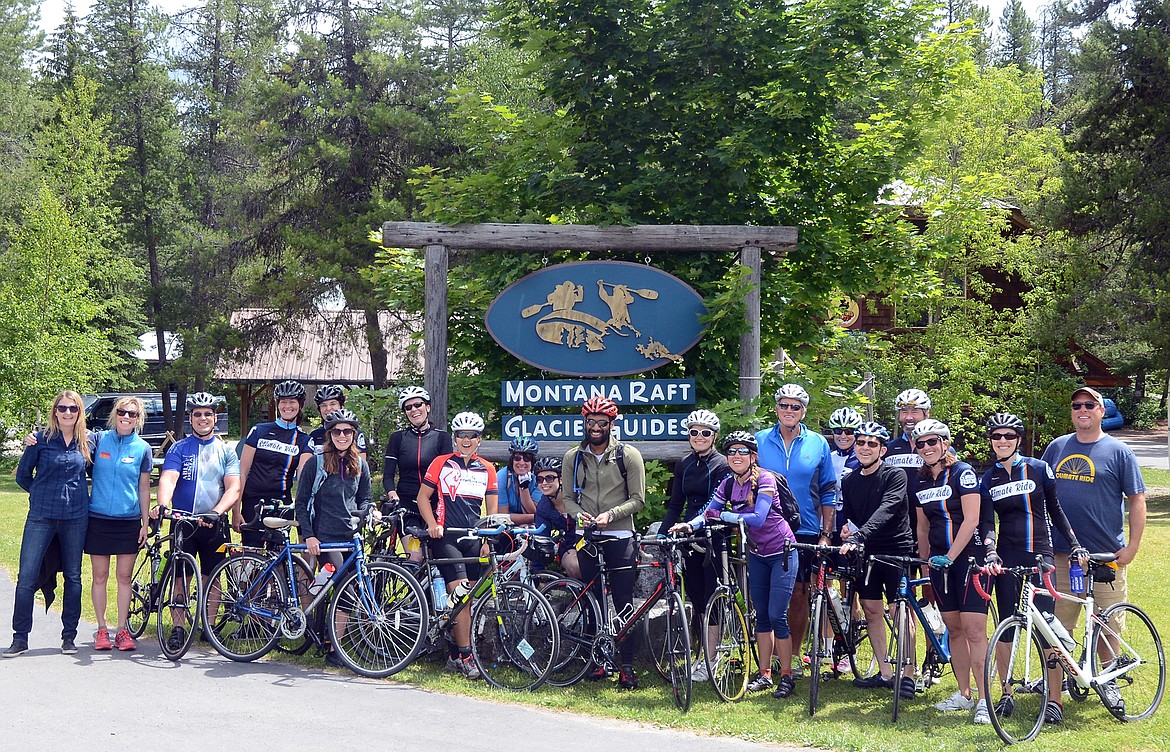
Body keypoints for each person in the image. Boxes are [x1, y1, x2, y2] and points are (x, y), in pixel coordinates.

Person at [670, 431, 799, 698]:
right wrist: (689, 524)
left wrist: (724, 515)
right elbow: (709, 513)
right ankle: (764, 674)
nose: (736, 456)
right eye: (732, 452)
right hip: (757, 553)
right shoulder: (728, 483)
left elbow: (759, 517)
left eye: (742, 451)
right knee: (761, 616)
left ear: (753, 457)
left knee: (777, 615)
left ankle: (786, 675)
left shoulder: (765, 479)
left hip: (782, 552)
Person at [979, 412, 1087, 726]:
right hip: (1007, 555)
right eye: (996, 436)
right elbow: (988, 522)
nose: (1002, 441)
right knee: (1008, 626)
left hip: (1041, 553)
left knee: (1046, 628)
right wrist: (989, 550)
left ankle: (1055, 699)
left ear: (1019, 439)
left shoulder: (1039, 469)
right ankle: (1006, 692)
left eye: (1008, 436)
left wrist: (1075, 543)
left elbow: (1056, 511)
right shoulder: (990, 477)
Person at [1040, 387, 1145, 631]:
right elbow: (1037, 495)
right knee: (1055, 638)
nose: (1082, 410)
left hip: (1105, 558)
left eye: (1089, 404)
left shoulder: (1119, 452)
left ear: (1102, 410)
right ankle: (1060, 672)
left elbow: (1137, 499)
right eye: (1077, 405)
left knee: (1107, 634)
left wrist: (1132, 547)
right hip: (1062, 557)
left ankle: (1110, 670)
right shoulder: (1056, 447)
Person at [912, 418, 992, 724]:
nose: (927, 448)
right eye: (921, 444)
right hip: (939, 565)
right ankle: (964, 693)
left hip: (970, 560)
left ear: (945, 443)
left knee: (974, 630)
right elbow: (922, 527)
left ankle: (985, 699)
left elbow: (972, 519)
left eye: (933, 442)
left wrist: (950, 555)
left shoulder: (963, 473)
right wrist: (925, 561)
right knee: (954, 629)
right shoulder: (920, 481)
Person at [563, 395, 646, 690]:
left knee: (623, 603)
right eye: (591, 422)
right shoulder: (573, 457)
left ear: (611, 424)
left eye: (601, 422)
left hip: (620, 535)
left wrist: (611, 515)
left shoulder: (628, 455)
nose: (595, 427)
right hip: (588, 538)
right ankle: (597, 661)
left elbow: (638, 499)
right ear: (584, 423)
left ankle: (625, 666)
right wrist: (579, 516)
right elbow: (568, 499)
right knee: (592, 602)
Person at [755, 384, 837, 676]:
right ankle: (771, 657)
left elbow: (828, 489)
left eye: (796, 406)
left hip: (805, 528)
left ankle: (794, 653)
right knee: (765, 595)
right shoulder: (760, 440)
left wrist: (827, 532)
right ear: (776, 408)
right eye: (784, 405)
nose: (789, 411)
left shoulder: (818, 443)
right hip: (765, 528)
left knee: (798, 592)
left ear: (804, 411)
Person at [6, 390, 94, 658]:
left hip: (76, 518)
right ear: (55, 411)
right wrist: (39, 493)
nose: (68, 413)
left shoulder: (87, 442)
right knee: (27, 577)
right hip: (41, 517)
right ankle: (20, 638)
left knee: (73, 577)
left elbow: (98, 471)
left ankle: (69, 637)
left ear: (80, 412)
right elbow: (22, 476)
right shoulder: (40, 441)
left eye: (73, 409)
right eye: (63, 408)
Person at [154, 392, 241, 652]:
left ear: (215, 418)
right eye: (197, 414)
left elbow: (234, 487)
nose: (202, 418)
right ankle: (178, 629)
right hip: (184, 522)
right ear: (190, 418)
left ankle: (209, 628)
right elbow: (168, 478)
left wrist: (217, 512)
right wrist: (163, 503)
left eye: (207, 414)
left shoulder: (226, 450)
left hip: (214, 522)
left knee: (213, 576)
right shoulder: (179, 448)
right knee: (181, 576)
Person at [416, 411, 499, 680]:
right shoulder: (441, 463)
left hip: (474, 538)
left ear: (479, 439)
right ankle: (465, 654)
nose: (466, 440)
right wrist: (431, 523)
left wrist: (487, 539)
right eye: (461, 435)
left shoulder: (487, 468)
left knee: (468, 601)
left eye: (471, 436)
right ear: (454, 438)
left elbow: (492, 511)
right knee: (462, 597)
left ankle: (452, 651)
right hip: (446, 537)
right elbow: (422, 498)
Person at [838, 421, 917, 701]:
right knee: (871, 609)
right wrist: (845, 531)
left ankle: (908, 673)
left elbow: (888, 508)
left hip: (896, 548)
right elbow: (847, 513)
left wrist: (859, 534)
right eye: (861, 443)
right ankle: (885, 672)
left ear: (882, 449)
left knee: (900, 611)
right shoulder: (849, 480)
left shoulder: (894, 475)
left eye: (872, 444)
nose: (865, 448)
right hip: (865, 551)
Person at [294, 409, 372, 668]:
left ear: (354, 435)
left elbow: (364, 498)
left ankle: (331, 642)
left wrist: (366, 513)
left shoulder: (360, 464)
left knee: (343, 591)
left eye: (347, 431)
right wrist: (309, 535)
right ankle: (333, 649)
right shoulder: (315, 463)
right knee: (344, 590)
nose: (342, 435)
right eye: (337, 431)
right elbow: (302, 502)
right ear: (329, 435)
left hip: (350, 537)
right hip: (325, 538)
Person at [659, 408, 730, 682]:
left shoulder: (723, 464)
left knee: (713, 597)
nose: (699, 437)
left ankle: (712, 658)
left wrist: (694, 526)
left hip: (713, 536)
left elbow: (716, 505)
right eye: (694, 432)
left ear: (714, 436)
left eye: (705, 433)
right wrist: (664, 535)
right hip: (687, 536)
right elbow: (676, 504)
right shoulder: (684, 464)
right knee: (698, 599)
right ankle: (704, 654)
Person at [85, 396, 154, 652]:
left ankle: (122, 630)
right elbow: (67, 435)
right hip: (99, 518)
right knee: (100, 576)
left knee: (124, 577)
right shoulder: (98, 440)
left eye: (133, 414)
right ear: (115, 414)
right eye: (123, 412)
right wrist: (34, 439)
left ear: (139, 418)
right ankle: (102, 629)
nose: (127, 417)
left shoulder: (142, 449)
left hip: (128, 521)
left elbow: (144, 486)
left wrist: (145, 522)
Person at [237, 380, 312, 546]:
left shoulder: (304, 440)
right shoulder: (259, 431)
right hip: (253, 502)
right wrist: (236, 509)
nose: (287, 406)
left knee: (278, 558)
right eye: (283, 401)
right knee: (251, 555)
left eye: (292, 401)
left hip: (281, 503)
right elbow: (241, 472)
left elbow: (303, 477)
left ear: (300, 404)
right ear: (277, 404)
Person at [382, 386, 451, 561]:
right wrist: (393, 495)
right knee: (415, 558)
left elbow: (447, 475)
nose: (414, 410)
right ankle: (413, 587)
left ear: (427, 407)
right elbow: (388, 476)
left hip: (435, 506)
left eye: (417, 404)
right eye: (408, 407)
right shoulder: (398, 438)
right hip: (407, 507)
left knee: (437, 559)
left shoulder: (442, 437)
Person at [532, 457, 581, 579]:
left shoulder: (580, 496)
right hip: (570, 546)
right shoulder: (543, 507)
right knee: (574, 566)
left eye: (549, 478)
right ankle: (581, 595)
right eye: (539, 479)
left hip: (592, 541)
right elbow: (541, 539)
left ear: (561, 479)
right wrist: (535, 576)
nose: (544, 483)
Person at [307, 384, 369, 457]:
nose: (328, 408)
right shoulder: (314, 435)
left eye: (333, 404)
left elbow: (361, 464)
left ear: (342, 406)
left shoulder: (354, 433)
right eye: (323, 405)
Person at [497, 436, 540, 525]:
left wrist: (523, 487)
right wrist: (535, 517)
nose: (521, 462)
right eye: (517, 458)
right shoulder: (501, 477)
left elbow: (533, 510)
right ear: (512, 460)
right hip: (506, 528)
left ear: (532, 461)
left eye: (527, 458)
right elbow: (502, 516)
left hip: (532, 528)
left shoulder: (539, 478)